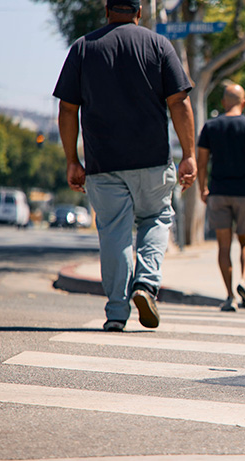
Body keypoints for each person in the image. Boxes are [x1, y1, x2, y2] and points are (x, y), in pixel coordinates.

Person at [53, 0, 196, 332]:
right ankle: (145, 285)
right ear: (140, 11)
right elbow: (179, 102)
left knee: (115, 233)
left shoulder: (83, 48)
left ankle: (116, 312)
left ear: (106, 11)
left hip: (103, 163)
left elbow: (67, 109)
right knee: (156, 217)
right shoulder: (159, 45)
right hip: (152, 161)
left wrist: (72, 160)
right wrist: (188, 153)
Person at [197, 84, 245, 312]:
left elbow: (201, 162)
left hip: (218, 193)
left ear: (223, 102)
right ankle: (244, 280)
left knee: (223, 246)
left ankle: (230, 296)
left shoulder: (210, 126)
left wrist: (203, 188)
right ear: (244, 102)